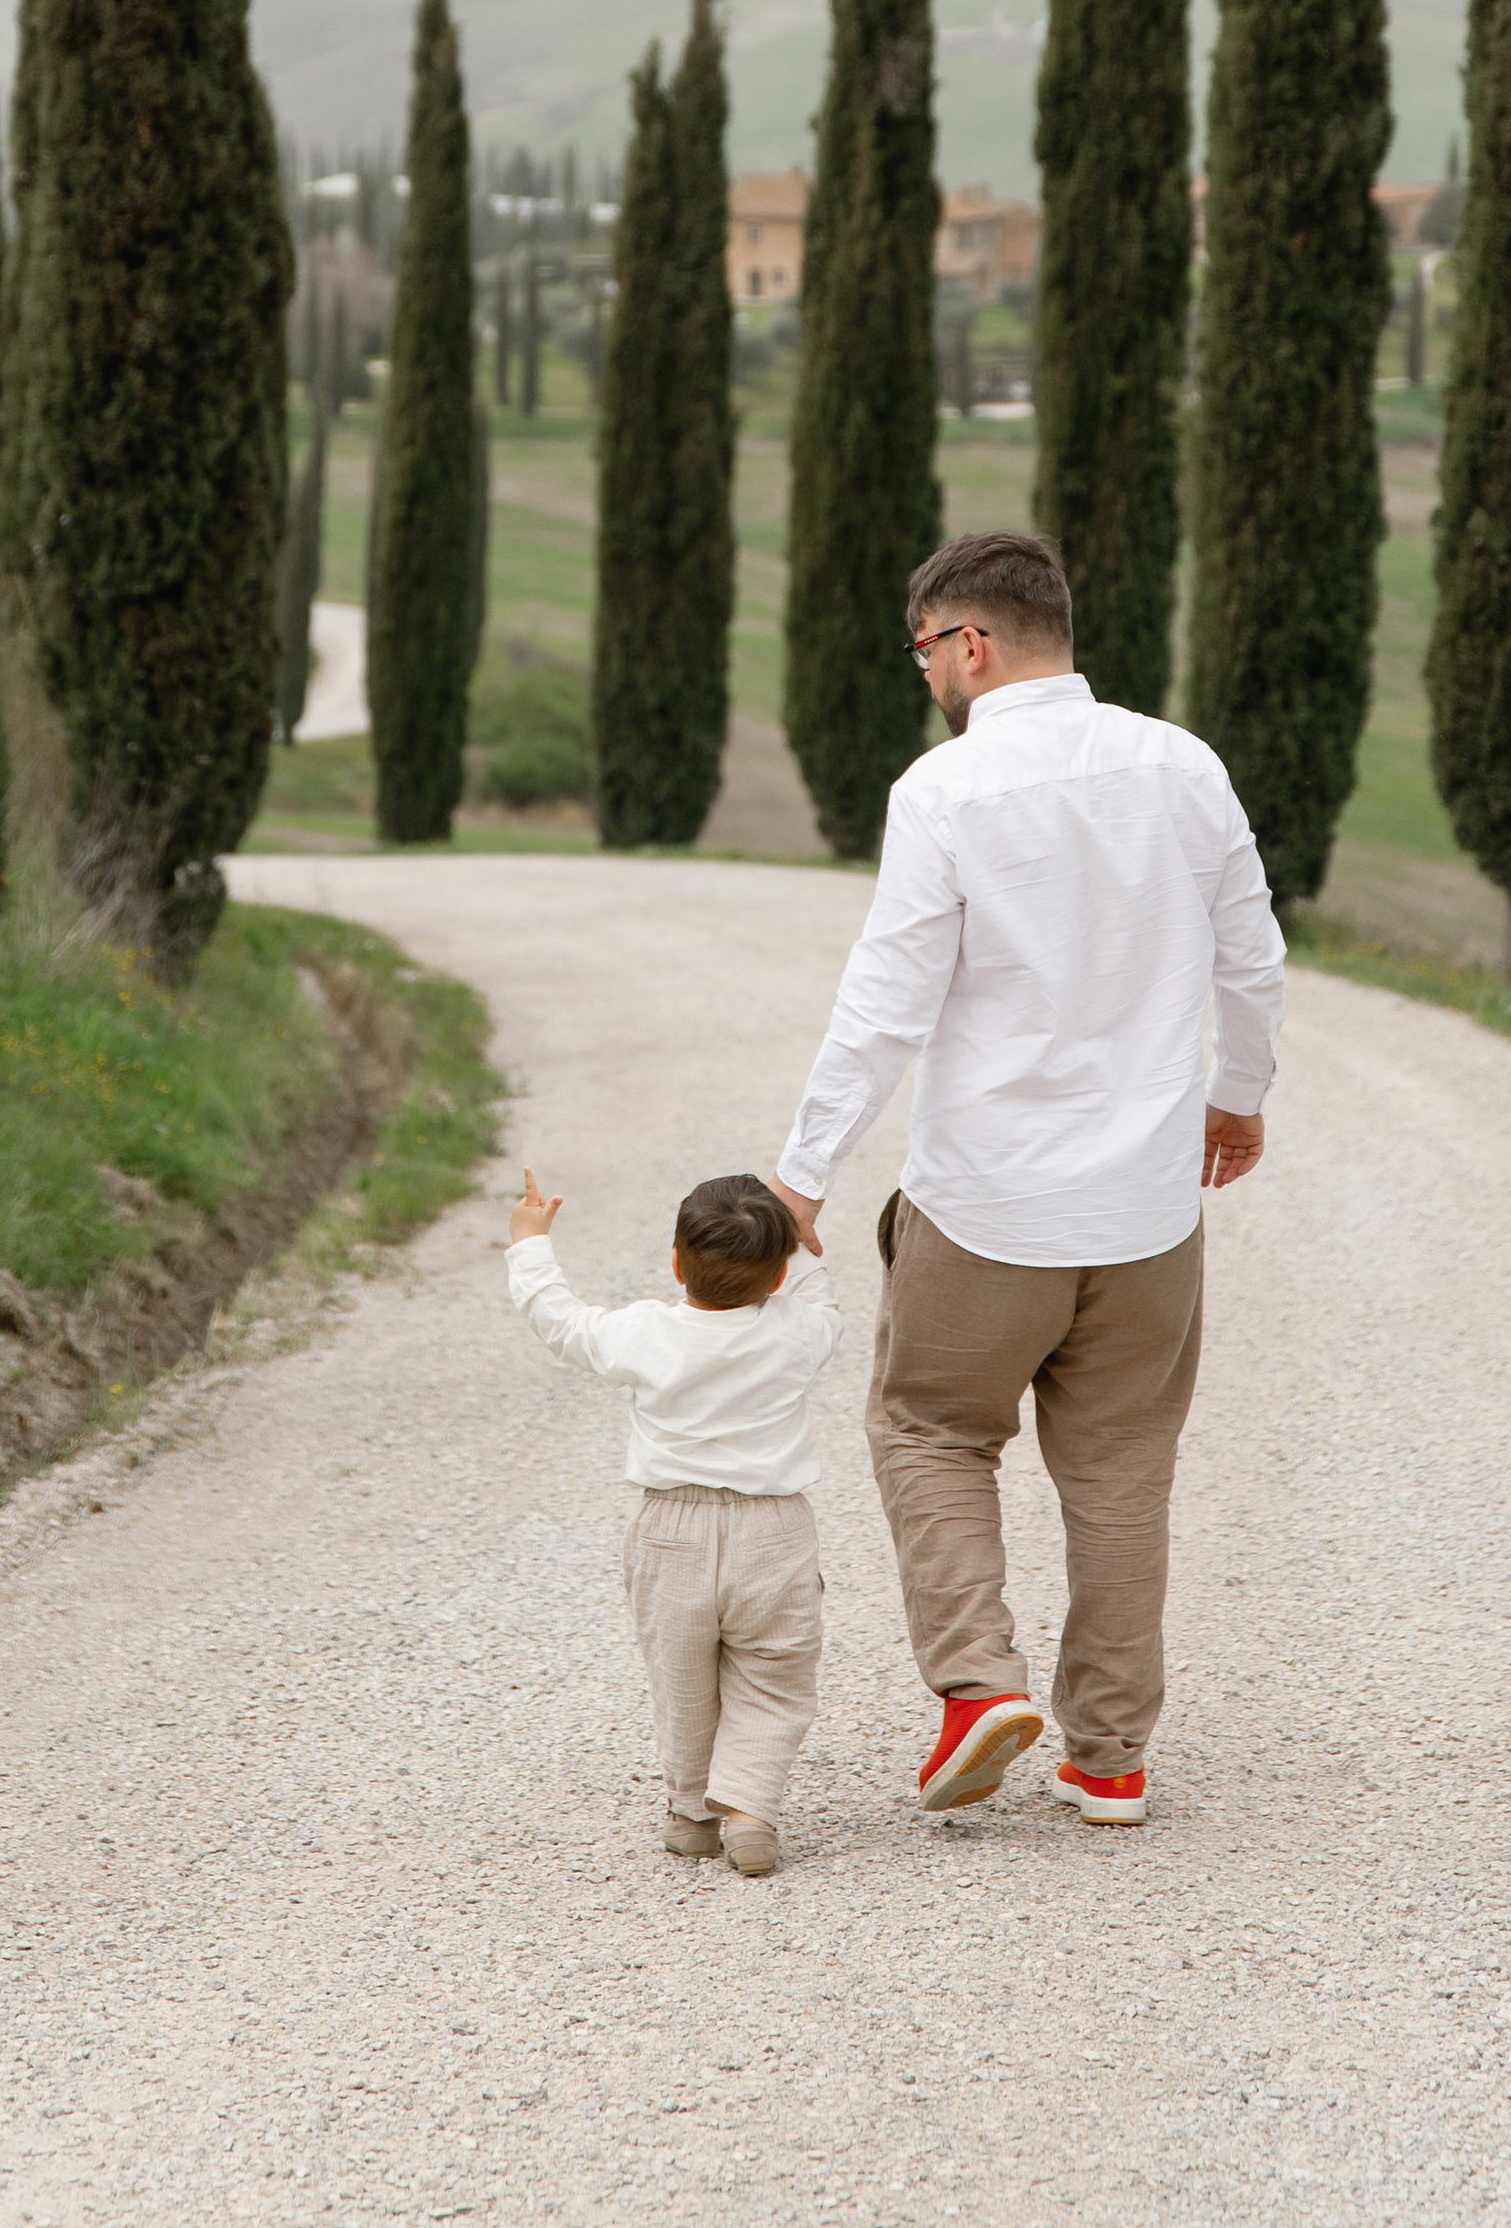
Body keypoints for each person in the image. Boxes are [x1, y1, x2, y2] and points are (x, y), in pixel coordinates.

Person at [772, 530, 1282, 1827]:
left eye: (925, 652)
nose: (927, 677)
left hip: (987, 1206)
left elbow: (885, 1003)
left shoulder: (947, 793)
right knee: (1122, 1472)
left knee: (930, 1430)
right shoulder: (1183, 765)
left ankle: (974, 1687)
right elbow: (1253, 956)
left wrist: (804, 1171)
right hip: (1152, 1213)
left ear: (970, 644)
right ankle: (1108, 1757)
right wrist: (1240, 1098)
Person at [506, 1163, 837, 1877]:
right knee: (775, 1679)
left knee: (682, 1677)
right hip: (772, 1530)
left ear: (676, 1264)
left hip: (671, 1532)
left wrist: (531, 1242)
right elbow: (817, 1290)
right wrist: (800, 1229)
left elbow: (558, 1320)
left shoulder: (643, 1332)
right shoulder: (799, 1332)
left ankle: (692, 1813)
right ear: (778, 1276)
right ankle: (750, 1807)